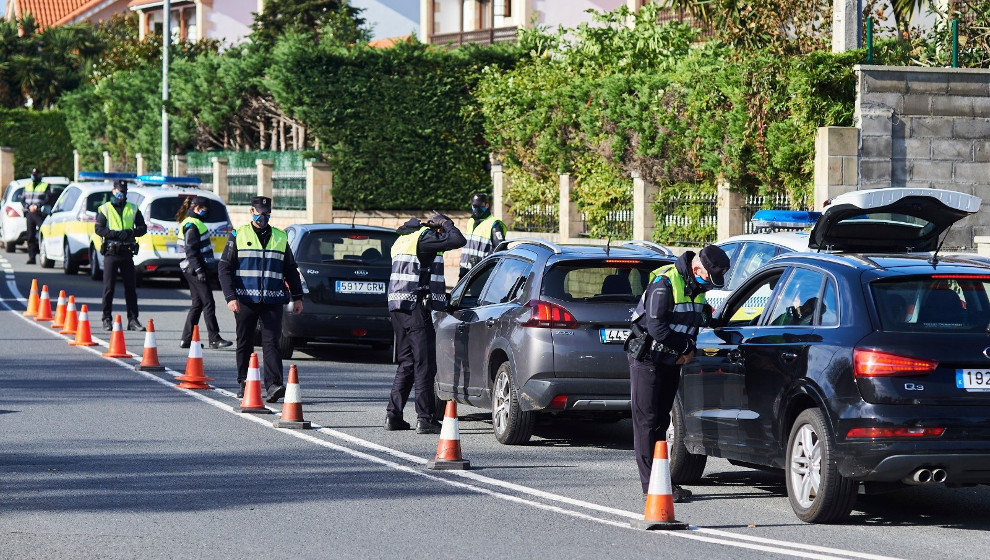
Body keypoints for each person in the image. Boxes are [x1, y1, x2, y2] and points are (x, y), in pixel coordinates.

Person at [625, 244, 730, 502]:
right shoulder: (665, 283)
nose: (710, 285)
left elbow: (701, 319)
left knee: (661, 422)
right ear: (697, 268)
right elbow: (656, 327)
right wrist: (686, 347)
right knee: (647, 423)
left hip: (671, 360)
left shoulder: (697, 287)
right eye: (708, 278)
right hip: (647, 358)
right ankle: (651, 486)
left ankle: (662, 482)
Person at [217, 196, 304, 403]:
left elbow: (290, 270)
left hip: (273, 300)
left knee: (272, 343)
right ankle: (244, 382)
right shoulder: (238, 235)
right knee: (245, 341)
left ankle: (274, 385)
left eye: (266, 213)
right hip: (245, 299)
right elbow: (224, 268)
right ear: (251, 212)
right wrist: (230, 297)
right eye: (259, 213)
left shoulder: (280, 237)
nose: (262, 217)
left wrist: (298, 297)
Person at [386, 212, 466, 434]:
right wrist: (446, 223)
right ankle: (425, 418)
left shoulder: (402, 239)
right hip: (415, 308)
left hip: (397, 308)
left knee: (407, 363)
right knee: (425, 364)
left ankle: (393, 415)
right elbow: (459, 240)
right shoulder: (423, 238)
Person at [176, 195, 232, 350]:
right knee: (208, 302)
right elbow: (191, 251)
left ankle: (186, 339)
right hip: (194, 269)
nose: (207, 213)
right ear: (197, 209)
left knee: (198, 303)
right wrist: (200, 270)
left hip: (193, 268)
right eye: (205, 210)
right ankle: (214, 339)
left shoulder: (194, 222)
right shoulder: (192, 225)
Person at [94, 179, 147, 332]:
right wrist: (115, 234)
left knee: (130, 288)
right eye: (118, 191)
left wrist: (130, 232)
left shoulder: (133, 208)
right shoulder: (105, 208)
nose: (121, 194)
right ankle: (106, 319)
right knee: (108, 288)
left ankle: (132, 320)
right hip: (111, 252)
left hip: (127, 252)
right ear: (113, 191)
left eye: (123, 191)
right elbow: (99, 229)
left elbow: (143, 228)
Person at [458, 193, 505, 279]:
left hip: (483, 272)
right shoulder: (471, 221)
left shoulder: (494, 224)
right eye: (474, 206)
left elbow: (500, 248)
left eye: (479, 205)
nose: (476, 208)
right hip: (465, 269)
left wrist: (484, 262)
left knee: (477, 293)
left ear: (487, 205)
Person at [19, 168, 53, 265]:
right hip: (29, 213)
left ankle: (47, 255)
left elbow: (47, 198)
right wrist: (28, 207)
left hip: (40, 213)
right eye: (32, 174)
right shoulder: (27, 185)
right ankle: (32, 257)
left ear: (39, 175)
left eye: (35, 174)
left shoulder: (45, 185)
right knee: (30, 236)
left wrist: (36, 206)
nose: (33, 176)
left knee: (44, 233)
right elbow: (22, 199)